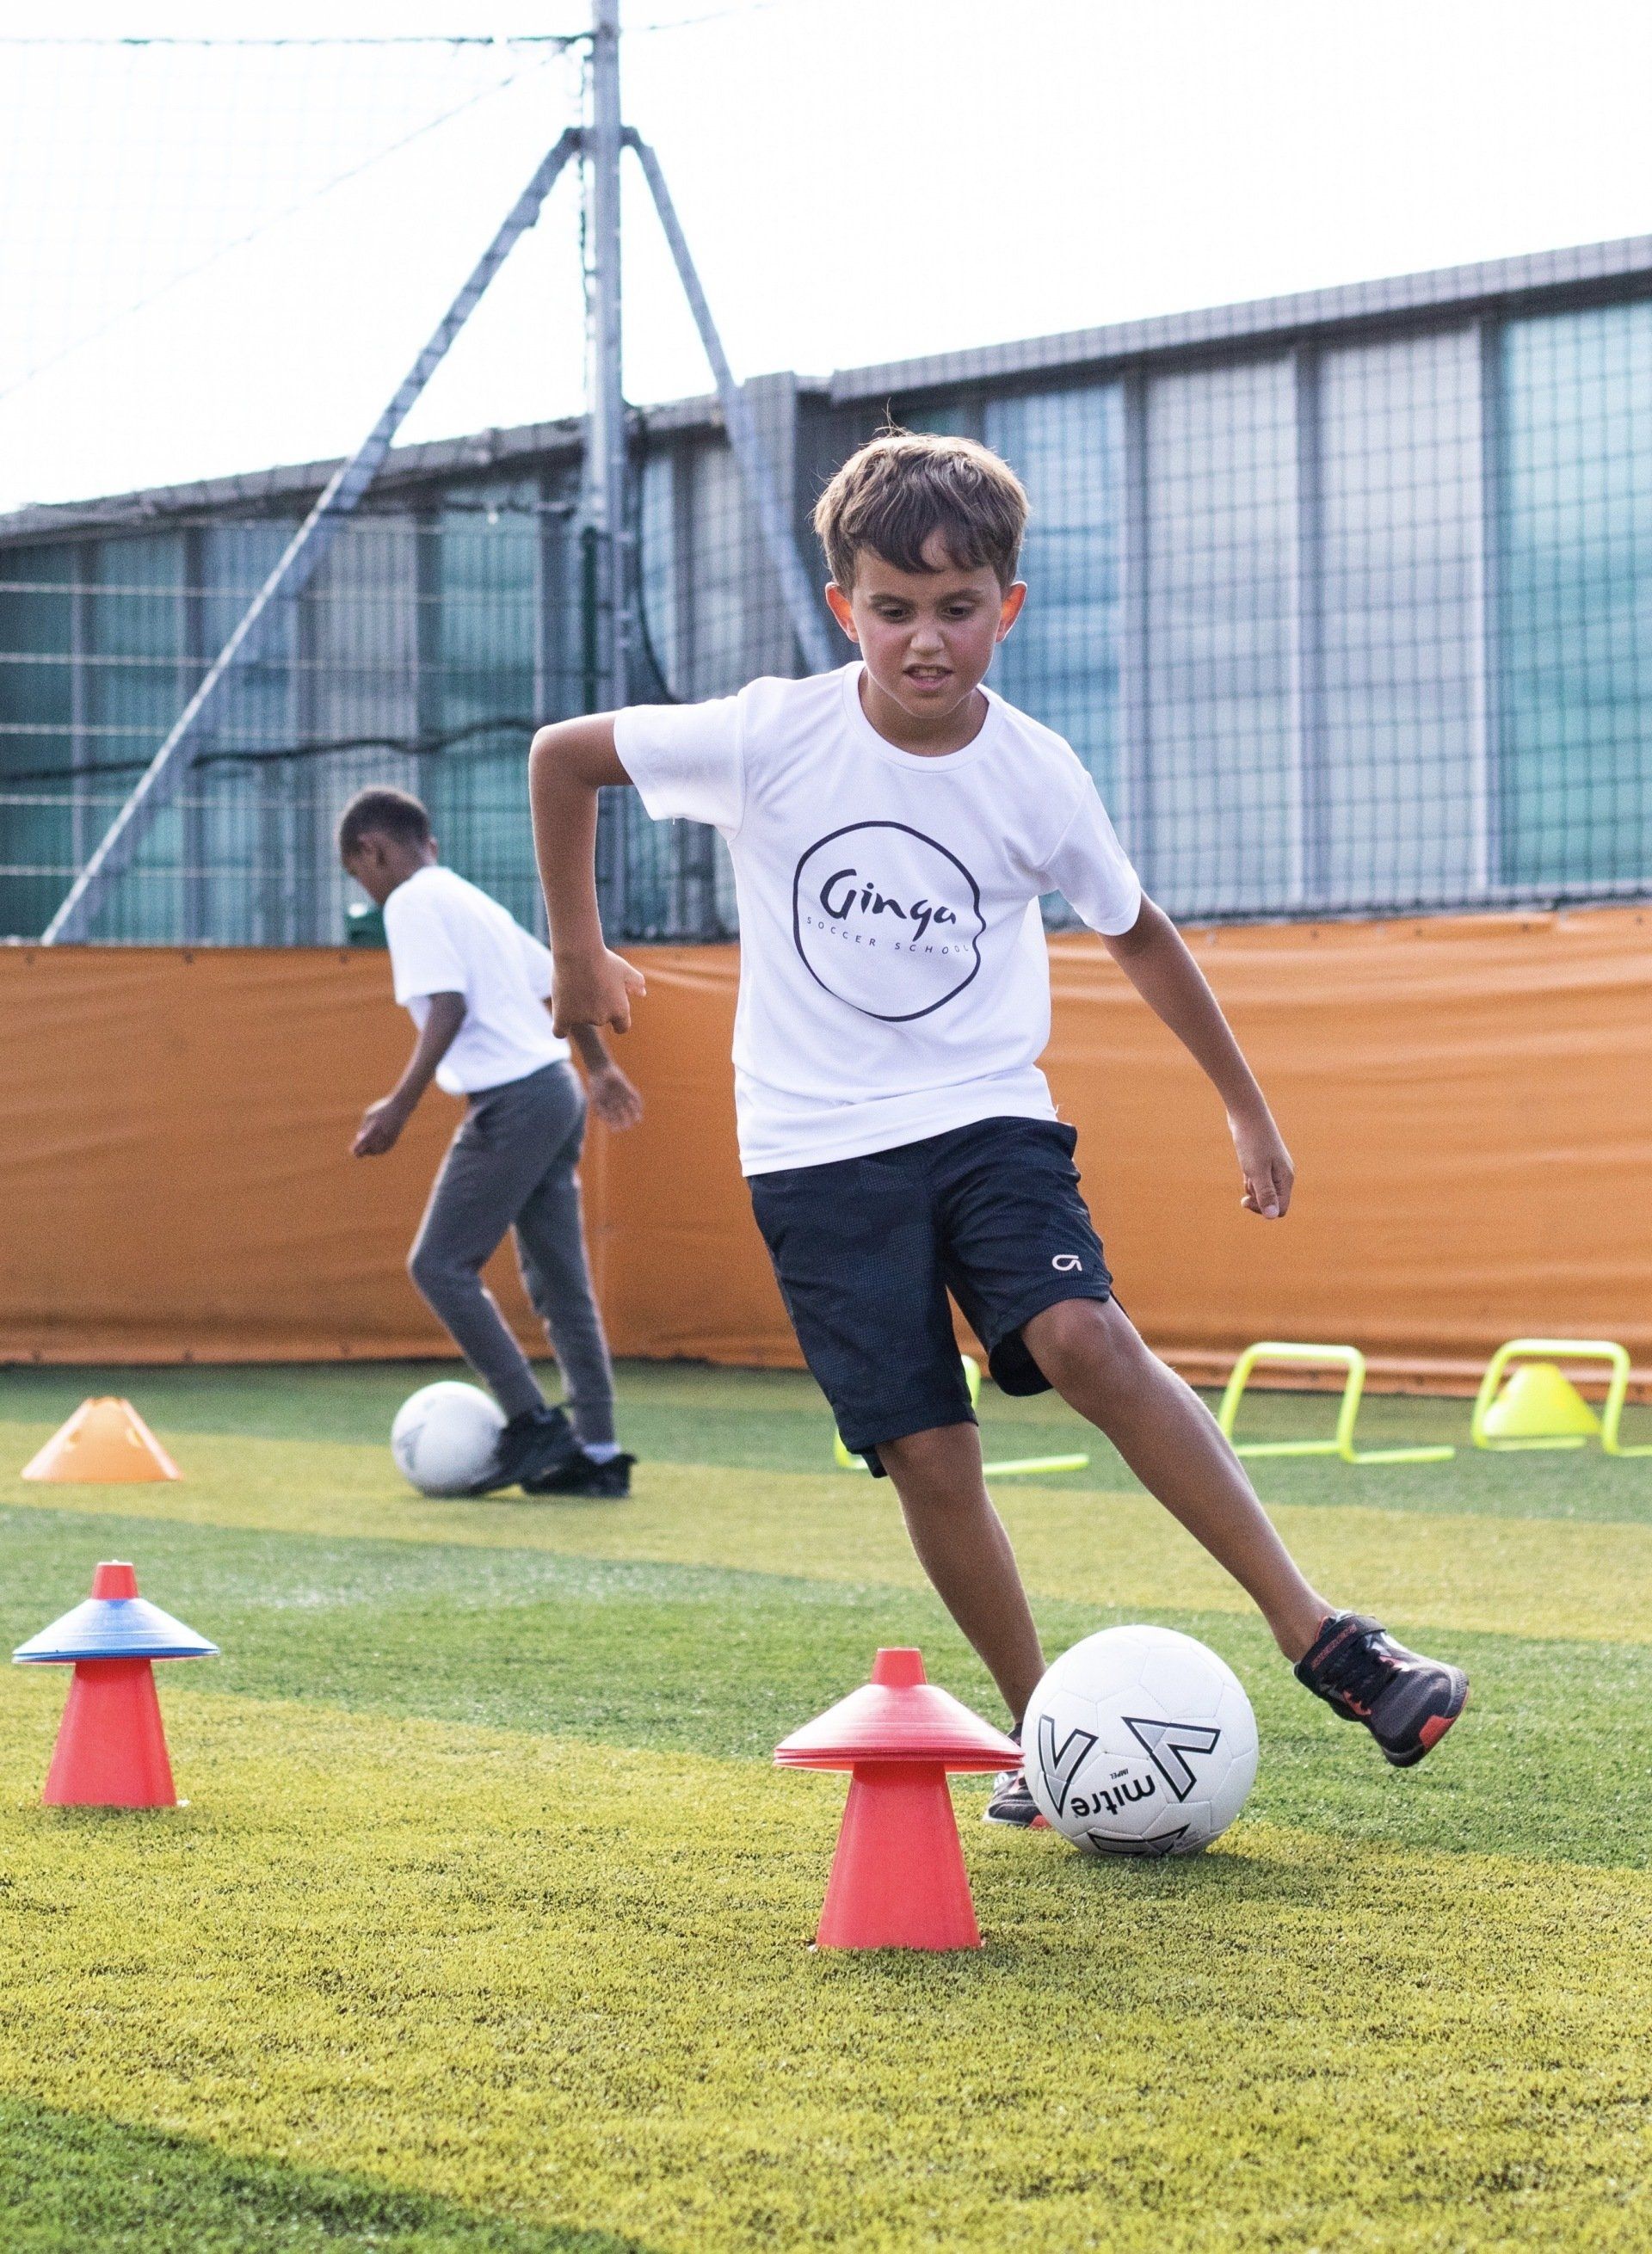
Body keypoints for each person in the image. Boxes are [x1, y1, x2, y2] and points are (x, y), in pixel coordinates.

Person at [527, 428, 1467, 1815]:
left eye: (957, 609)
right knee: (927, 1447)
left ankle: (1326, 1640)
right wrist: (576, 957)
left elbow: (1139, 935)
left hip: (984, 1119)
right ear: (843, 606)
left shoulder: (1036, 773)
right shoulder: (771, 734)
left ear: (1005, 609)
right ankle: (1049, 1740)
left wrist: (1246, 1107)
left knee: (1081, 1333)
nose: (924, 641)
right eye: (892, 609)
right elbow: (561, 758)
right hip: (813, 1149)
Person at [339, 785, 638, 1500]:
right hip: (556, 1090)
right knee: (563, 1284)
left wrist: (399, 1107)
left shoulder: (411, 902)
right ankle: (597, 1451)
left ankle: (533, 1423)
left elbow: (447, 1006)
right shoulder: (473, 901)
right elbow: (563, 979)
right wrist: (598, 1070)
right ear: (431, 844)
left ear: (372, 851)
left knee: (439, 1264)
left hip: (514, 1101)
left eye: (360, 875)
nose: (368, 889)